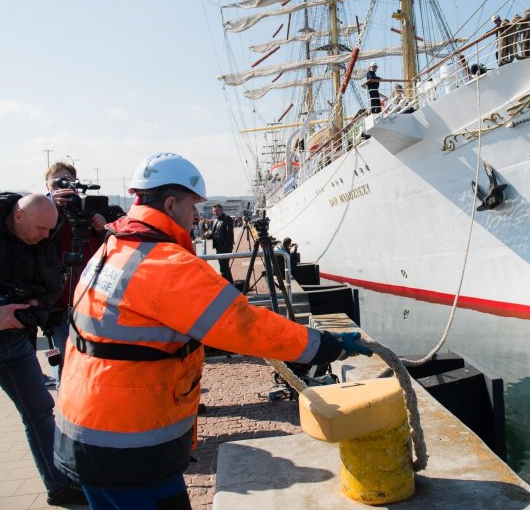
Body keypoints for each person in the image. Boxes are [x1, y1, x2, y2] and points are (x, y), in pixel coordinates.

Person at [53, 152, 370, 510]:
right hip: (130, 445)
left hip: (85, 429)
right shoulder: (167, 265)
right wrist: (322, 345)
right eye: (194, 205)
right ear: (171, 203)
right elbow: (244, 326)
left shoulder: (114, 247)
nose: (198, 215)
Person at [0, 193, 87, 509]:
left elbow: (54, 283)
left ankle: (59, 485)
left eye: (50, 230)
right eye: (41, 229)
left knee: (40, 412)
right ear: (18, 217)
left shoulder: (42, 239)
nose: (46, 236)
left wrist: (37, 304)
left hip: (16, 339)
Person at [45, 161, 107, 385]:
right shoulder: (43, 211)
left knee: (94, 364)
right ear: (48, 187)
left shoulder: (85, 209)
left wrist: (101, 229)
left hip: (91, 301)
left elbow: (105, 250)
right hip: (60, 305)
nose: (64, 188)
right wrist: (52, 205)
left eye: (68, 182)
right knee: (65, 369)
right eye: (57, 183)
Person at [204, 203, 234, 283]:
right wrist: (208, 236)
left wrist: (225, 249)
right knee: (225, 267)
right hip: (218, 248)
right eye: (214, 211)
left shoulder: (227, 219)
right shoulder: (216, 220)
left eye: (217, 210)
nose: (215, 212)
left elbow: (230, 235)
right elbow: (214, 235)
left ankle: (225, 288)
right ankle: (231, 286)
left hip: (225, 248)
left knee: (223, 269)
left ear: (221, 210)